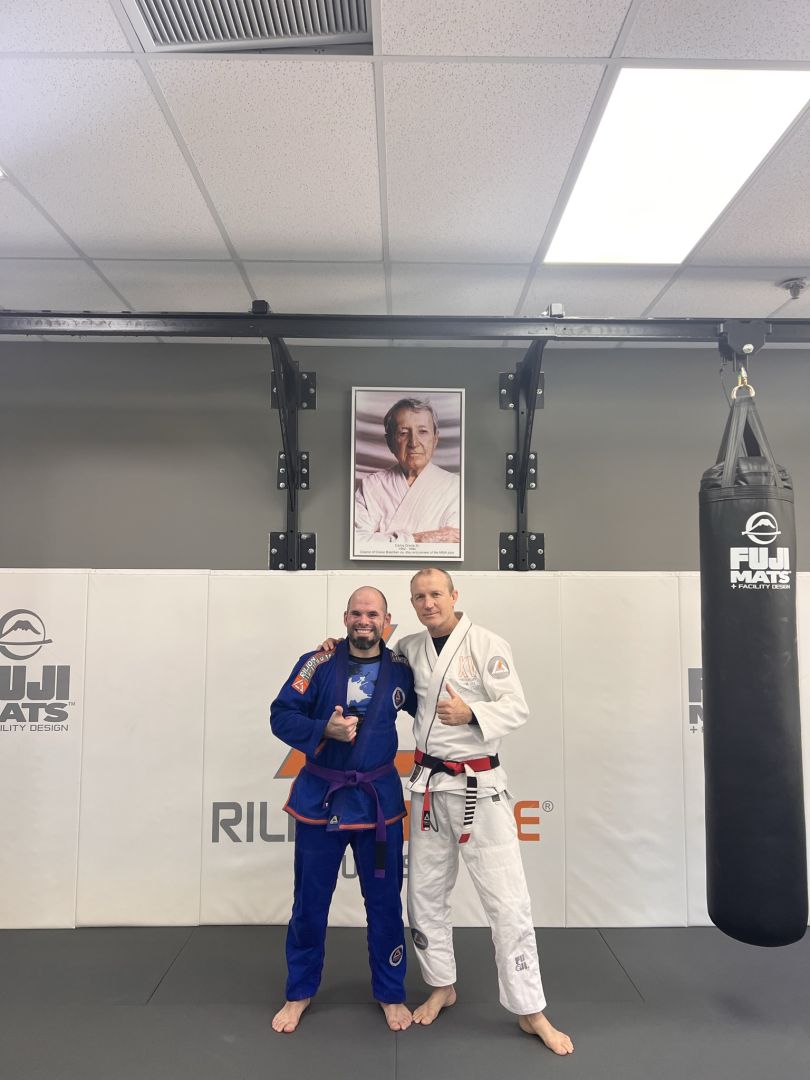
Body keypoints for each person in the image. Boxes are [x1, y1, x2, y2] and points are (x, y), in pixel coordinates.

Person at [397, 568, 574, 1055]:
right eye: (419, 596)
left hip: (479, 788)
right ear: (412, 603)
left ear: (454, 595)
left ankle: (530, 1009)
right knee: (424, 894)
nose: (428, 603)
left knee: (507, 900)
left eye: (436, 593)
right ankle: (442, 984)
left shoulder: (487, 644)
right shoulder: (409, 648)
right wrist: (332, 648)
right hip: (429, 787)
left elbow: (517, 706)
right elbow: (370, 661)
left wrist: (471, 713)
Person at [269, 587, 416, 1034]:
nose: (364, 620)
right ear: (345, 617)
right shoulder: (315, 663)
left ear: (386, 619)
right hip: (322, 800)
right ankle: (299, 991)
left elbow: (432, 712)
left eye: (372, 614)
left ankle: (390, 992)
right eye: (356, 613)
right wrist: (322, 729)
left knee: (385, 903)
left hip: (377, 804)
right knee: (310, 903)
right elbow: (281, 714)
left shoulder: (402, 670)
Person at [354, 398, 460, 550]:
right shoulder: (371, 486)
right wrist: (420, 538)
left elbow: (453, 547)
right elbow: (357, 543)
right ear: (390, 442)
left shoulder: (456, 487)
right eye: (403, 433)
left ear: (435, 439)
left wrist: (382, 539)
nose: (414, 443)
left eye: (422, 432)